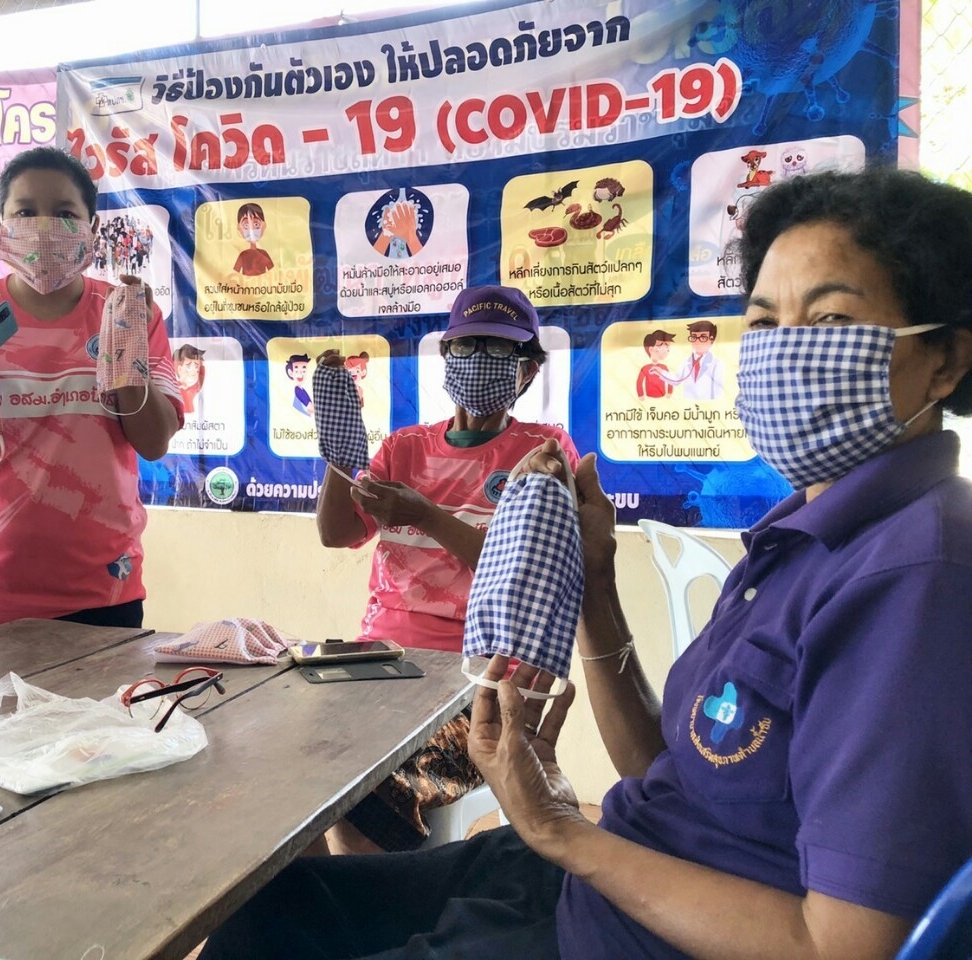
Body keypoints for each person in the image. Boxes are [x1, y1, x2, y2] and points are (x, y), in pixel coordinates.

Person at [201, 167, 972, 959]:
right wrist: (595, 587)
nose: (783, 351)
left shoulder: (916, 580)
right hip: (596, 874)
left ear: (945, 360)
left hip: (612, 929)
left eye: (831, 317)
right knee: (269, 910)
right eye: (765, 322)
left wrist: (560, 831)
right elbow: (670, 771)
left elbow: (844, 946)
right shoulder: (798, 537)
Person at [314, 284, 580, 854]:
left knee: (373, 782)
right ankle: (320, 897)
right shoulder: (404, 448)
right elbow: (337, 534)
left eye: (500, 349)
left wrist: (427, 516)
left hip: (484, 679)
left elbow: (528, 575)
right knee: (296, 752)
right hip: (381, 660)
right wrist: (340, 454)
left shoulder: (545, 452)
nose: (479, 359)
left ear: (529, 369)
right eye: (466, 345)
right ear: (445, 357)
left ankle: (380, 904)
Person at [0, 146, 183, 637]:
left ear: (91, 226)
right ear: (0, 223)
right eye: (25, 212)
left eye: (65, 213)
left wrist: (125, 348)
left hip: (103, 588)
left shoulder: (126, 313)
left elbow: (153, 442)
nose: (45, 227)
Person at [652, 319, 724, 399]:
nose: (697, 341)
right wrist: (661, 372)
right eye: (694, 337)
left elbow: (718, 390)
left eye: (703, 338)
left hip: (708, 404)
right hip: (689, 403)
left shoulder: (716, 363)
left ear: (711, 339)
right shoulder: (686, 361)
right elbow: (677, 380)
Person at [232, 202, 274, 277]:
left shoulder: (264, 254)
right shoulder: (243, 255)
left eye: (256, 224)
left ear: (264, 225)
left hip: (264, 283)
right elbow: (235, 273)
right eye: (246, 225)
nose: (251, 229)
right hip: (245, 284)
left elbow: (273, 271)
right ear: (239, 227)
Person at [636, 329, 675, 398]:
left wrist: (669, 392)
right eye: (660, 347)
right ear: (651, 349)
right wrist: (640, 395)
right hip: (649, 396)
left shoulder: (664, 367)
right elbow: (639, 382)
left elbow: (669, 380)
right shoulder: (645, 368)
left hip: (662, 395)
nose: (665, 351)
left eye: (667, 348)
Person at [173, 344, 206, 414]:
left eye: (196, 367)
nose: (193, 372)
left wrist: (202, 365)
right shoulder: (174, 386)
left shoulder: (195, 387)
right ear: (179, 369)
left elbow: (201, 374)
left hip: (191, 415)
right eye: (189, 367)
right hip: (178, 414)